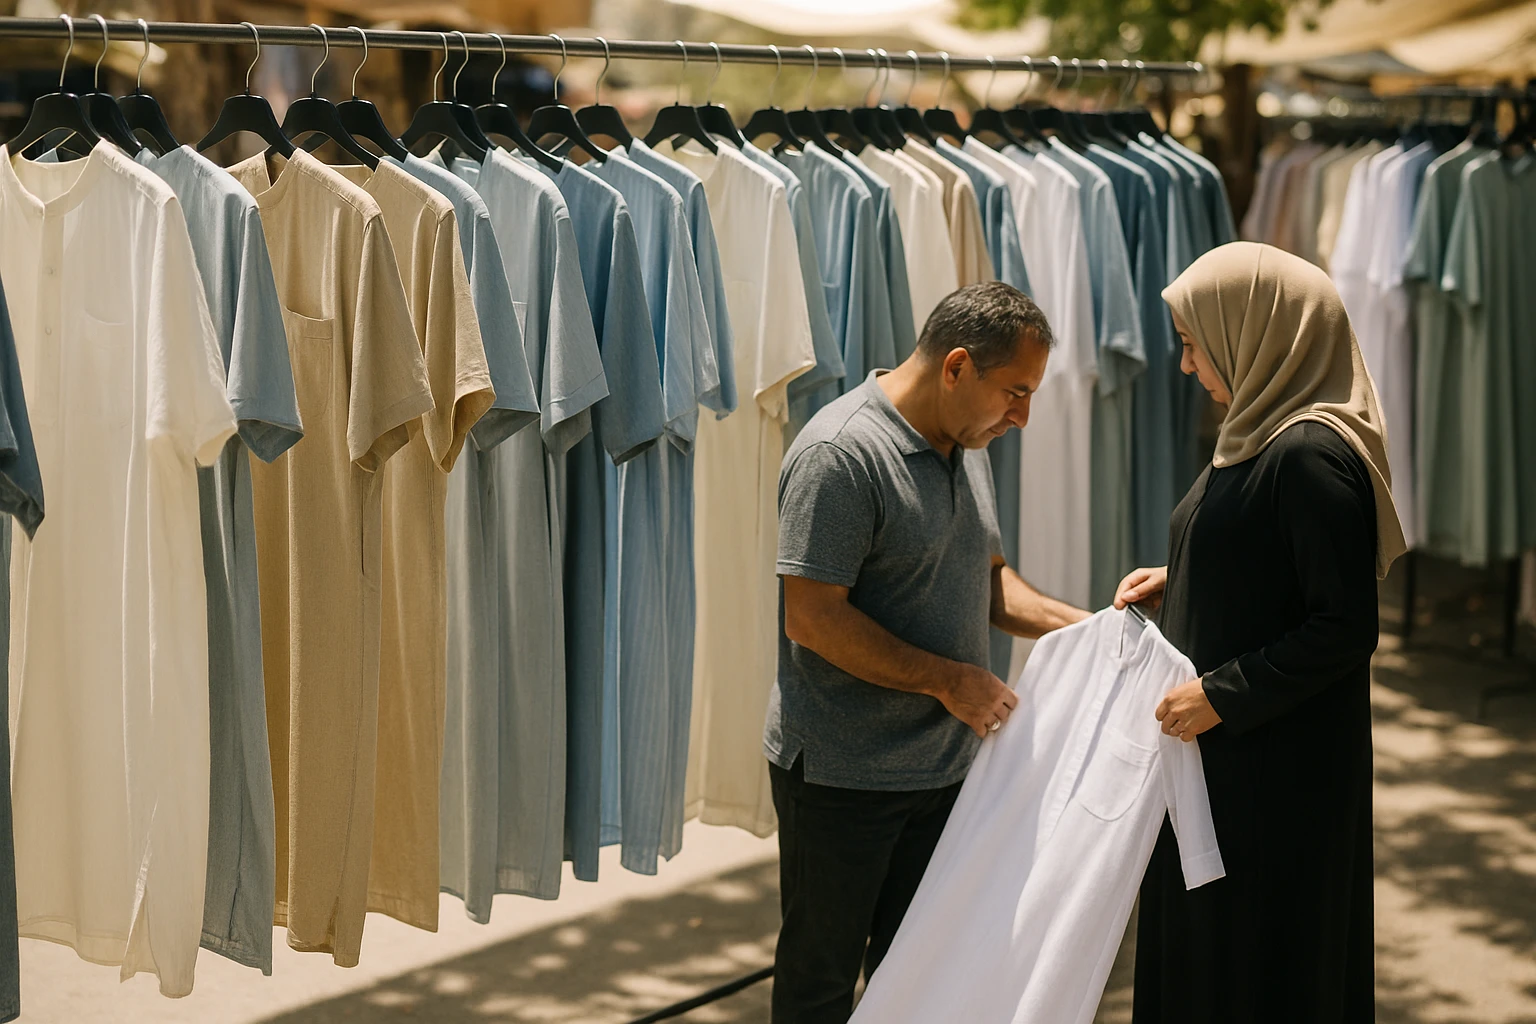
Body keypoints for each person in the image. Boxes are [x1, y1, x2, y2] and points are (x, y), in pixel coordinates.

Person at [768, 281, 1090, 1023]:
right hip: (844, 780)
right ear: (956, 367)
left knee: (919, 983)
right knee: (820, 986)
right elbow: (812, 619)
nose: (1023, 416)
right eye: (1016, 392)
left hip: (947, 775)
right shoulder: (840, 454)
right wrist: (950, 681)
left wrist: (1095, 629)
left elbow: (989, 582)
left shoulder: (967, 441)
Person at [1116, 242, 1405, 1023]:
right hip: (1226, 766)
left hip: (1273, 781)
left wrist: (1222, 695)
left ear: (1254, 332)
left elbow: (1344, 625)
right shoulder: (1259, 432)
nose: (1187, 365)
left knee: (1257, 966)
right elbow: (1270, 553)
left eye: (1193, 344)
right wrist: (1184, 575)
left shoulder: (1310, 455)